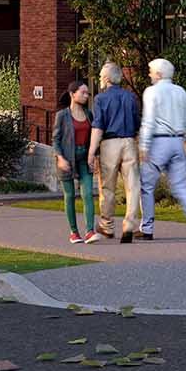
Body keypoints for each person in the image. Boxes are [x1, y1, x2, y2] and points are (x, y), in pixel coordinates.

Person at [136, 57, 186, 240]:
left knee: (147, 185)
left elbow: (148, 120)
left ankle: (147, 229)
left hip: (158, 142)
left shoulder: (151, 92)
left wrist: (143, 146)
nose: (149, 74)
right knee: (182, 185)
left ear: (158, 74)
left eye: (151, 71)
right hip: (177, 142)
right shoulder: (181, 91)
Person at [91, 61, 141, 240]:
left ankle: (107, 225)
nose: (99, 79)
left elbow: (98, 126)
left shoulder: (100, 99)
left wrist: (91, 151)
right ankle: (130, 225)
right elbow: (137, 121)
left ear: (106, 78)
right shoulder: (130, 97)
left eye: (100, 76)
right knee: (133, 186)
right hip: (129, 142)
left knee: (108, 187)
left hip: (109, 143)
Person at [53, 79, 101, 245]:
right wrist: (60, 158)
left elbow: (94, 136)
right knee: (70, 196)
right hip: (66, 160)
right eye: (83, 92)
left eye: (87, 93)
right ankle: (74, 232)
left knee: (88, 194)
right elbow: (56, 140)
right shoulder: (62, 115)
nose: (87, 95)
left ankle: (89, 231)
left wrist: (94, 156)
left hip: (84, 159)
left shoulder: (89, 114)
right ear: (73, 94)